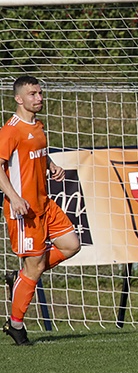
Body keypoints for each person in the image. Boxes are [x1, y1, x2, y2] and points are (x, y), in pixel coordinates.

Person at [0, 76, 81, 346]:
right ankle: (16, 325)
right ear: (19, 99)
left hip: (45, 204)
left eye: (40, 93)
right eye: (33, 94)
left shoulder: (38, 126)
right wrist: (14, 198)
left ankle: (20, 279)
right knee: (33, 269)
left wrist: (51, 165)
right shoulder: (11, 130)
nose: (39, 98)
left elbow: (37, 153)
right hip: (24, 210)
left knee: (71, 245)